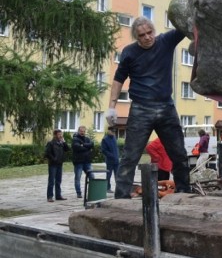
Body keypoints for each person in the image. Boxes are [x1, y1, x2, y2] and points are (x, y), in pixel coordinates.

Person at [105, 16, 190, 198]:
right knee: (130, 156)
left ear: (154, 31)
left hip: (166, 107)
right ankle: (121, 197)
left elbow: (186, 26)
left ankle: (184, 191)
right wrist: (111, 106)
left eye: (149, 32)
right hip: (140, 109)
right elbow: (119, 79)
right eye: (142, 35)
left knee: (179, 153)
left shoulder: (166, 41)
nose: (147, 37)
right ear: (136, 37)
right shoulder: (129, 52)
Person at [44, 129, 70, 202]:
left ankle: (58, 195)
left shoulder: (61, 143)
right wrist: (53, 159)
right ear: (55, 135)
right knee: (51, 180)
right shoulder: (51, 143)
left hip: (60, 164)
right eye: (59, 134)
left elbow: (67, 149)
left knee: (58, 180)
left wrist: (64, 142)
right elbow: (47, 153)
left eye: (61, 134)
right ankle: (50, 196)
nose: (60, 136)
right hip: (53, 164)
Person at [72, 125, 94, 199]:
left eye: (84, 131)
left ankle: (92, 191)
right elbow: (77, 147)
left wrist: (83, 145)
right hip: (78, 162)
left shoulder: (87, 139)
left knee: (92, 177)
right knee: (78, 178)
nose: (83, 133)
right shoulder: (75, 139)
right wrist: (87, 148)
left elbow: (92, 144)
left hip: (87, 161)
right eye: (81, 131)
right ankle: (79, 193)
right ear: (78, 131)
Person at [100, 127, 119, 193]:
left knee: (117, 175)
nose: (113, 133)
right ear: (108, 131)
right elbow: (104, 150)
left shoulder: (114, 138)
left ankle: (118, 188)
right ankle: (108, 188)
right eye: (112, 131)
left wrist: (117, 156)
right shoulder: (105, 139)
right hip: (110, 161)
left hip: (116, 160)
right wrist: (111, 156)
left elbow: (116, 148)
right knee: (108, 175)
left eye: (114, 132)